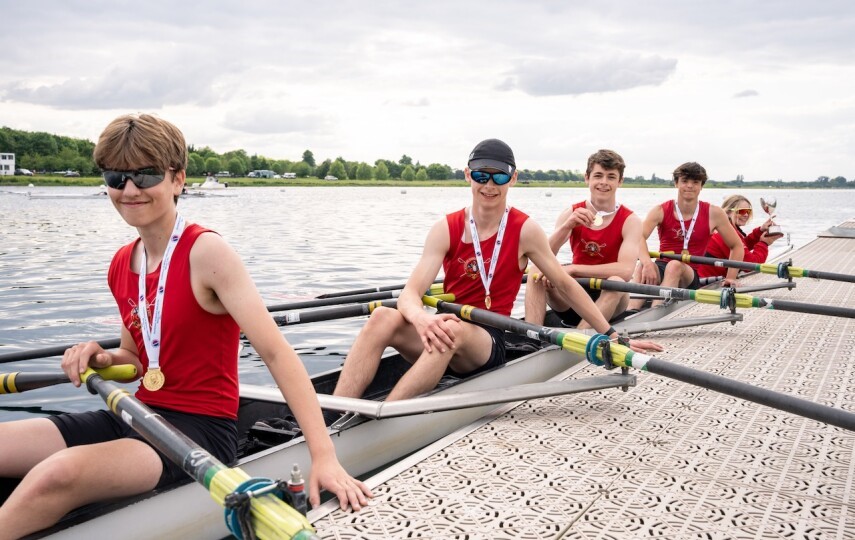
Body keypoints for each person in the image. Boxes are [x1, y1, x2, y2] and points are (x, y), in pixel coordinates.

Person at [0, 114, 370, 538]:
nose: (130, 190)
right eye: (117, 177)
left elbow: (275, 353)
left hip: (201, 432)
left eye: (145, 175)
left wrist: (323, 455)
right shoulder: (123, 263)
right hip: (138, 414)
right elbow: (136, 360)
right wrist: (101, 358)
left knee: (57, 474)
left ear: (177, 179)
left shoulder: (207, 252)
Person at [331, 139, 662, 405]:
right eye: (481, 175)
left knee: (450, 328)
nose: (490, 184)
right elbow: (410, 294)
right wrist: (419, 318)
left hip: (489, 340)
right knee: (382, 318)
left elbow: (563, 283)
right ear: (467, 175)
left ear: (513, 178)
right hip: (448, 327)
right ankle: (335, 413)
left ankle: (382, 418)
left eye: (500, 176)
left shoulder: (525, 230)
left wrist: (612, 334)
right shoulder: (445, 229)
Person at [525, 149, 642, 327]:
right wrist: (567, 226)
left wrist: (573, 269)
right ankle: (531, 337)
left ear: (620, 182)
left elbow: (626, 271)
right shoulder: (571, 213)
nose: (603, 182)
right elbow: (542, 255)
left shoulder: (630, 220)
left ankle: (580, 338)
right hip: (572, 296)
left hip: (610, 298)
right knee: (536, 271)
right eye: (598, 176)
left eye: (611, 177)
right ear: (587, 178)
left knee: (616, 282)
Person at [628, 162, 744, 309]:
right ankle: (630, 311)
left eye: (695, 182)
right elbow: (638, 237)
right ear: (676, 184)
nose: (689, 186)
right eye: (685, 181)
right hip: (663, 266)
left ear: (701, 186)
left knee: (674, 266)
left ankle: (655, 310)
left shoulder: (714, 213)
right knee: (641, 266)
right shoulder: (660, 210)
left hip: (689, 275)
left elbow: (737, 246)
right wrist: (646, 263)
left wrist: (730, 277)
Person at [697, 194, 782, 279]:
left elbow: (741, 248)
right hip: (705, 283)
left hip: (708, 277)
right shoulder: (724, 233)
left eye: (748, 211)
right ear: (728, 212)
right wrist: (764, 243)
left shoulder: (726, 228)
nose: (746, 215)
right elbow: (751, 265)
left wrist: (760, 231)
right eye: (742, 211)